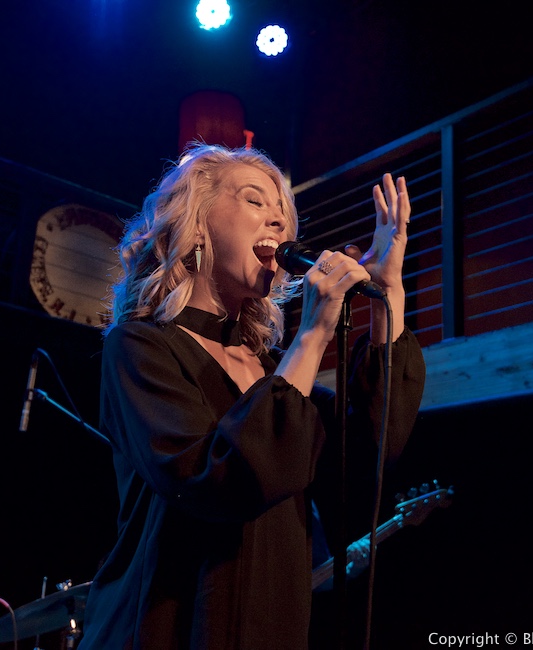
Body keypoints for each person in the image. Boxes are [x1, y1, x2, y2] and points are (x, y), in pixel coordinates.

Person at [79, 142, 425, 649]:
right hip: (165, 630)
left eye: (284, 211)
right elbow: (215, 481)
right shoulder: (140, 347)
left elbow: (369, 453)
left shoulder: (273, 372)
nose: (279, 222)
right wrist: (311, 335)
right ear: (197, 223)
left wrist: (388, 293)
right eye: (255, 201)